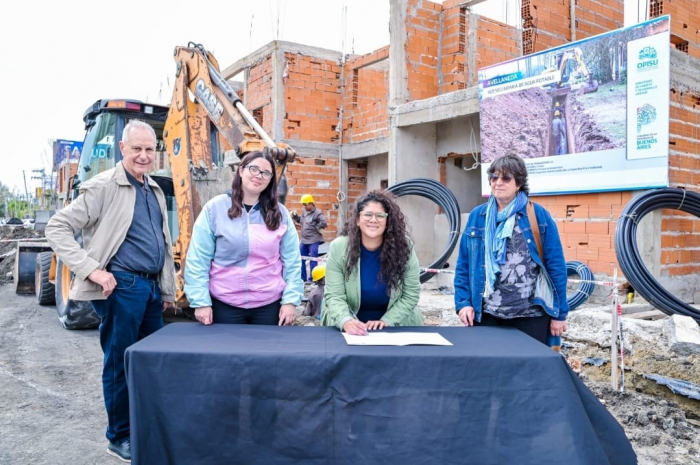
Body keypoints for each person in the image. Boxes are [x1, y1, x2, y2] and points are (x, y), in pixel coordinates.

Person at [45, 120, 176, 462]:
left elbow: (160, 240)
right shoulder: (104, 185)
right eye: (137, 149)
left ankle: (144, 426)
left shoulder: (154, 189)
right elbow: (57, 228)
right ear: (122, 149)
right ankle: (119, 436)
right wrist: (92, 270)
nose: (144, 156)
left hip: (148, 289)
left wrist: (164, 289)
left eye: (150, 149)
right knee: (119, 364)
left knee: (150, 362)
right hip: (122, 287)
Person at [453, 153, 569, 345]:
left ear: (518, 184)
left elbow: (555, 265)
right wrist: (463, 303)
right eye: (494, 177)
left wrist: (560, 314)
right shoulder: (477, 216)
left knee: (528, 372)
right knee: (490, 370)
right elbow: (464, 265)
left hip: (530, 315)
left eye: (506, 178)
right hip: (487, 314)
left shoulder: (538, 215)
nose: (498, 182)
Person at [184, 150, 303, 326]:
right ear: (241, 170)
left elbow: (292, 261)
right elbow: (198, 259)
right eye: (253, 169)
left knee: (267, 353)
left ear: (271, 179)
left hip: (269, 306)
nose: (259, 176)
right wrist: (200, 301)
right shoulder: (215, 209)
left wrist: (290, 300)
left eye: (266, 173)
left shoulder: (280, 214)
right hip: (224, 304)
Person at [321, 190, 423, 335]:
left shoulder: (405, 247)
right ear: (357, 219)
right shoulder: (339, 248)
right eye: (368, 214)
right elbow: (334, 295)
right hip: (349, 325)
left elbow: (410, 295)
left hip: (396, 323)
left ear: (388, 221)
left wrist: (387, 321)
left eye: (380, 215)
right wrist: (346, 321)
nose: (373, 220)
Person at [291, 194, 327, 282]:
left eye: (306, 204)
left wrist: (318, 227)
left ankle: (312, 279)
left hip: (314, 240)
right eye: (303, 204)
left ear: (311, 203)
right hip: (304, 240)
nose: (304, 206)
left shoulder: (317, 213)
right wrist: (295, 217)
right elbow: (301, 221)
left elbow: (324, 222)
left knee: (313, 260)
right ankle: (302, 278)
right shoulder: (304, 212)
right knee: (300, 259)